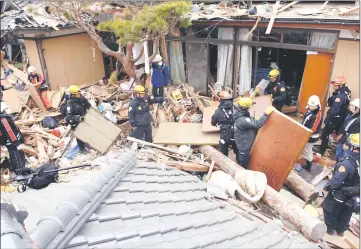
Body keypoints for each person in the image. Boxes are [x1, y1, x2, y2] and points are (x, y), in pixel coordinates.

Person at [323, 133, 360, 236]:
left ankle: (329, 229)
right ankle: (341, 231)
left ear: (354, 147)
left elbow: (337, 181)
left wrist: (328, 187)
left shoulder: (347, 163)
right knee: (347, 212)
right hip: (355, 194)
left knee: (331, 207)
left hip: (341, 192)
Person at [233, 97, 274, 168]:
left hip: (243, 138)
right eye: (249, 106)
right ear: (245, 107)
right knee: (244, 161)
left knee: (242, 156)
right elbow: (257, 124)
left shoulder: (239, 113)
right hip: (244, 145)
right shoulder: (242, 120)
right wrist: (266, 114)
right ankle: (242, 170)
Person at [315, 76, 351, 155]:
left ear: (340, 85)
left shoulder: (340, 96)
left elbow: (335, 110)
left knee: (325, 133)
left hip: (335, 118)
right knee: (337, 133)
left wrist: (327, 119)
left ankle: (322, 149)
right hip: (341, 117)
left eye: (335, 85)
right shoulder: (346, 91)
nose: (333, 86)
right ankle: (338, 149)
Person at [0, 89, 26, 172]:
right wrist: (17, 143)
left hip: (10, 141)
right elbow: (10, 132)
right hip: (12, 143)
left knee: (14, 156)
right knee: (17, 157)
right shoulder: (3, 119)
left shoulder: (3, 117)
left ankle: (16, 169)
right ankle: (20, 172)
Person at [61, 85, 91, 154]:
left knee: (86, 132)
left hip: (83, 118)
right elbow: (69, 116)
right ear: (73, 95)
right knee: (79, 134)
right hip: (74, 121)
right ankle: (81, 149)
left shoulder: (81, 99)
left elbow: (88, 105)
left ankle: (86, 144)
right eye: (77, 94)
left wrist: (92, 110)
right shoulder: (70, 104)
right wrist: (78, 118)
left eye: (79, 93)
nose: (79, 94)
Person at [211, 91, 239, 164]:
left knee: (224, 153)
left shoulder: (218, 111)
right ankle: (241, 166)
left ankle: (226, 167)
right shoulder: (236, 109)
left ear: (221, 100)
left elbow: (213, 123)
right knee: (237, 151)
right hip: (236, 134)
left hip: (225, 135)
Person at [300, 95, 323, 171]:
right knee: (306, 149)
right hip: (306, 133)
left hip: (311, 136)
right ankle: (307, 160)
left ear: (316, 106)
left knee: (308, 150)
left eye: (312, 105)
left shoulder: (318, 115)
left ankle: (308, 165)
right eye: (309, 105)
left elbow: (314, 128)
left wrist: (305, 132)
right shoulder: (310, 109)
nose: (310, 106)